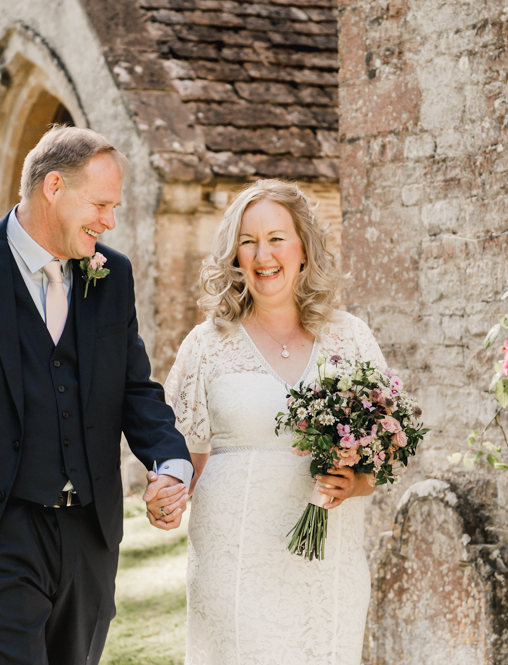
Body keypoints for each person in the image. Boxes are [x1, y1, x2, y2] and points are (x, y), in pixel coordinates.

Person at [0, 126, 192, 665]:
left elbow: (134, 386)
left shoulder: (111, 275)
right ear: (53, 187)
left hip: (89, 534)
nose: (109, 221)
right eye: (100, 204)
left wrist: (171, 462)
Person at [164, 179, 386, 664]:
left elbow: (379, 461)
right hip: (236, 557)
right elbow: (181, 458)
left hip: (329, 560)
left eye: (276, 238)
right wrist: (166, 492)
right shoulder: (207, 345)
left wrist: (353, 481)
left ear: (304, 248)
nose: (263, 254)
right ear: (235, 256)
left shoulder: (351, 338)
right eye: (248, 241)